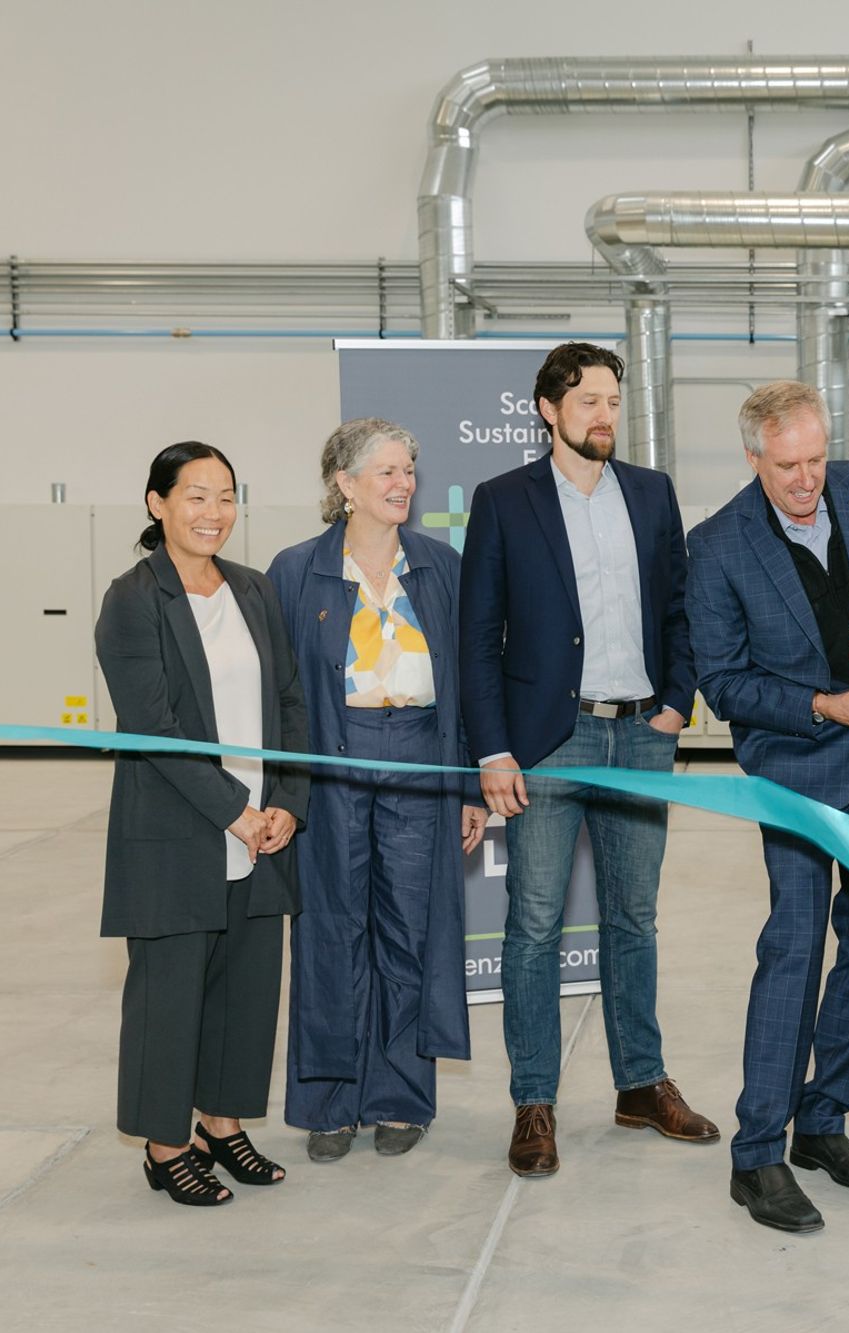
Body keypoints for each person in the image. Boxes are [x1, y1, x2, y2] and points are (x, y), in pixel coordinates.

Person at [686, 379, 849, 1234]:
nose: (808, 479)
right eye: (789, 465)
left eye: (816, 459)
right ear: (754, 457)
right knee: (795, 947)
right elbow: (724, 682)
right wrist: (820, 705)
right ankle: (757, 1152)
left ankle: (823, 1119)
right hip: (797, 772)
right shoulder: (718, 544)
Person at [459, 342, 713, 1179]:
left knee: (633, 919)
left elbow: (680, 606)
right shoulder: (504, 502)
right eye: (588, 402)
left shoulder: (651, 492)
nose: (605, 415)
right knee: (532, 923)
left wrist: (678, 699)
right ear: (548, 410)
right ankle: (535, 1099)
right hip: (547, 739)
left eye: (612, 401)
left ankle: (640, 1082)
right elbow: (478, 637)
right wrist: (492, 749)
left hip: (641, 733)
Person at [267, 419, 488, 1163]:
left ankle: (399, 1096)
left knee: (410, 932)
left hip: (422, 763)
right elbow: (283, 695)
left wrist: (469, 785)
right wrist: (285, 791)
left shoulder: (441, 567)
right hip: (333, 761)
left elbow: (467, 682)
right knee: (330, 931)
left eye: (409, 470)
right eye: (387, 471)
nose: (403, 484)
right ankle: (328, 1102)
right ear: (345, 484)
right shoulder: (296, 571)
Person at [95, 442, 308, 1206]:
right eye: (195, 496)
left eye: (225, 496)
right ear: (157, 504)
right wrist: (235, 812)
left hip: (262, 824)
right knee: (169, 992)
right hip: (179, 828)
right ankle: (165, 1142)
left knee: (245, 988)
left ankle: (221, 1123)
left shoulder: (251, 590)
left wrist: (285, 799)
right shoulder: (133, 596)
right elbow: (151, 728)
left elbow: (289, 700)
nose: (213, 512)